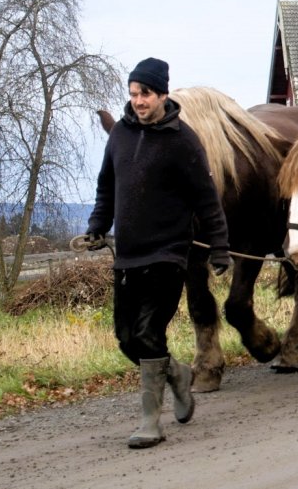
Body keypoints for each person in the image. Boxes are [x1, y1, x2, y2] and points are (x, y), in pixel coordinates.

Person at [86, 57, 232, 448]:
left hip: (168, 256)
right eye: (133, 93)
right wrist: (96, 227)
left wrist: (219, 248)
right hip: (128, 257)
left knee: (149, 333)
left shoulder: (183, 141)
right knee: (126, 338)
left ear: (162, 94)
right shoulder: (118, 137)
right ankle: (178, 374)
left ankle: (151, 421)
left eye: (145, 93)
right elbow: (106, 189)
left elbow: (207, 200)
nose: (137, 100)